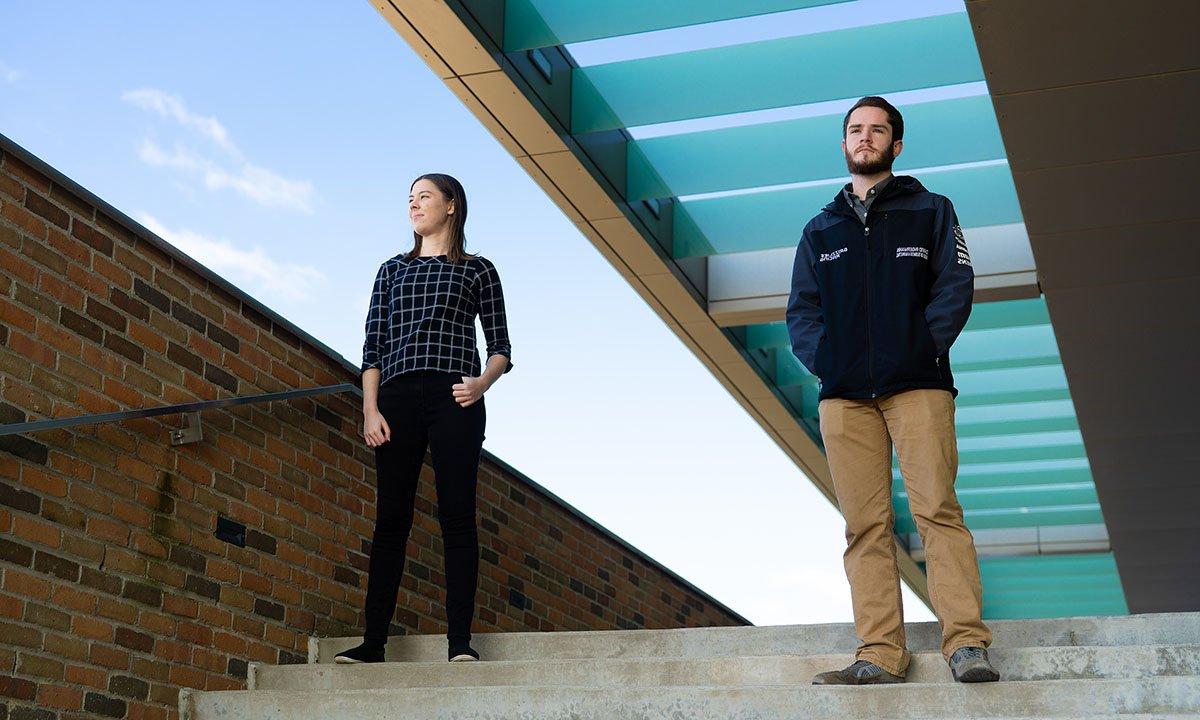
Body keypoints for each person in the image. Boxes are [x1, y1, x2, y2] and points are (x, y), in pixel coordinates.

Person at [787, 97, 999, 684]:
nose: (865, 138)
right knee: (864, 526)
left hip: (919, 387)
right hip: (845, 397)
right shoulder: (819, 228)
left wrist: (922, 348)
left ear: (896, 145)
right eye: (856, 130)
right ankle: (880, 652)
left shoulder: (931, 210)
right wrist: (828, 362)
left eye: (877, 130)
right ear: (844, 143)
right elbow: (802, 311)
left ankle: (966, 643)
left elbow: (955, 284)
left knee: (937, 510)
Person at [336, 173, 512, 664]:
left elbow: (500, 348)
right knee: (390, 520)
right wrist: (370, 409)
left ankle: (460, 643)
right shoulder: (391, 270)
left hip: (454, 396)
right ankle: (374, 643)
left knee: (457, 515)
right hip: (394, 400)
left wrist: (480, 384)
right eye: (409, 199)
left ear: (451, 206)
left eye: (424, 197)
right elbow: (373, 348)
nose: (413, 205)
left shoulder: (477, 270)